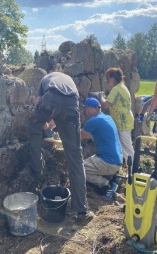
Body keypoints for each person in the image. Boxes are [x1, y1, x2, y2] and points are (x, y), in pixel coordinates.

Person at [28, 71, 92, 220]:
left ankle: (37, 170)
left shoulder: (45, 80)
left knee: (33, 127)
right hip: (72, 104)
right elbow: (61, 112)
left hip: (51, 98)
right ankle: (82, 210)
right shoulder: (68, 80)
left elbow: (39, 103)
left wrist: (41, 122)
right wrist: (51, 123)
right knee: (76, 156)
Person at [81, 97, 123, 199]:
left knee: (80, 169)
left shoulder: (94, 121)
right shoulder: (107, 117)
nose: (85, 112)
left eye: (86, 109)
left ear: (91, 108)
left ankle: (107, 185)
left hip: (109, 162)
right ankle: (113, 178)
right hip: (117, 159)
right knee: (87, 162)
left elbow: (79, 136)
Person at [98, 67, 134, 163]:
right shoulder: (122, 87)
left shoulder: (116, 89)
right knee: (125, 147)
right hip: (125, 121)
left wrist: (100, 97)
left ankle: (134, 169)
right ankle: (131, 170)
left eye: (108, 78)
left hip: (122, 122)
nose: (107, 80)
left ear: (113, 78)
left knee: (127, 148)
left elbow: (105, 105)